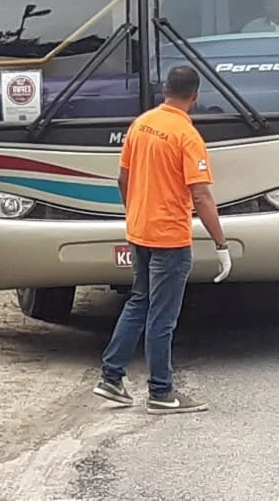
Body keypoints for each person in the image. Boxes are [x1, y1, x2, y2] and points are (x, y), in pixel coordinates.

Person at [93, 65, 232, 414]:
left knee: (138, 302)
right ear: (195, 97)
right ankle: (161, 391)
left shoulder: (141, 124)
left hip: (139, 231)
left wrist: (136, 212)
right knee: (163, 317)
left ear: (166, 90)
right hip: (170, 238)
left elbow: (122, 178)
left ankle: (111, 377)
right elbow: (200, 196)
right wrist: (221, 243)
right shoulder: (187, 136)